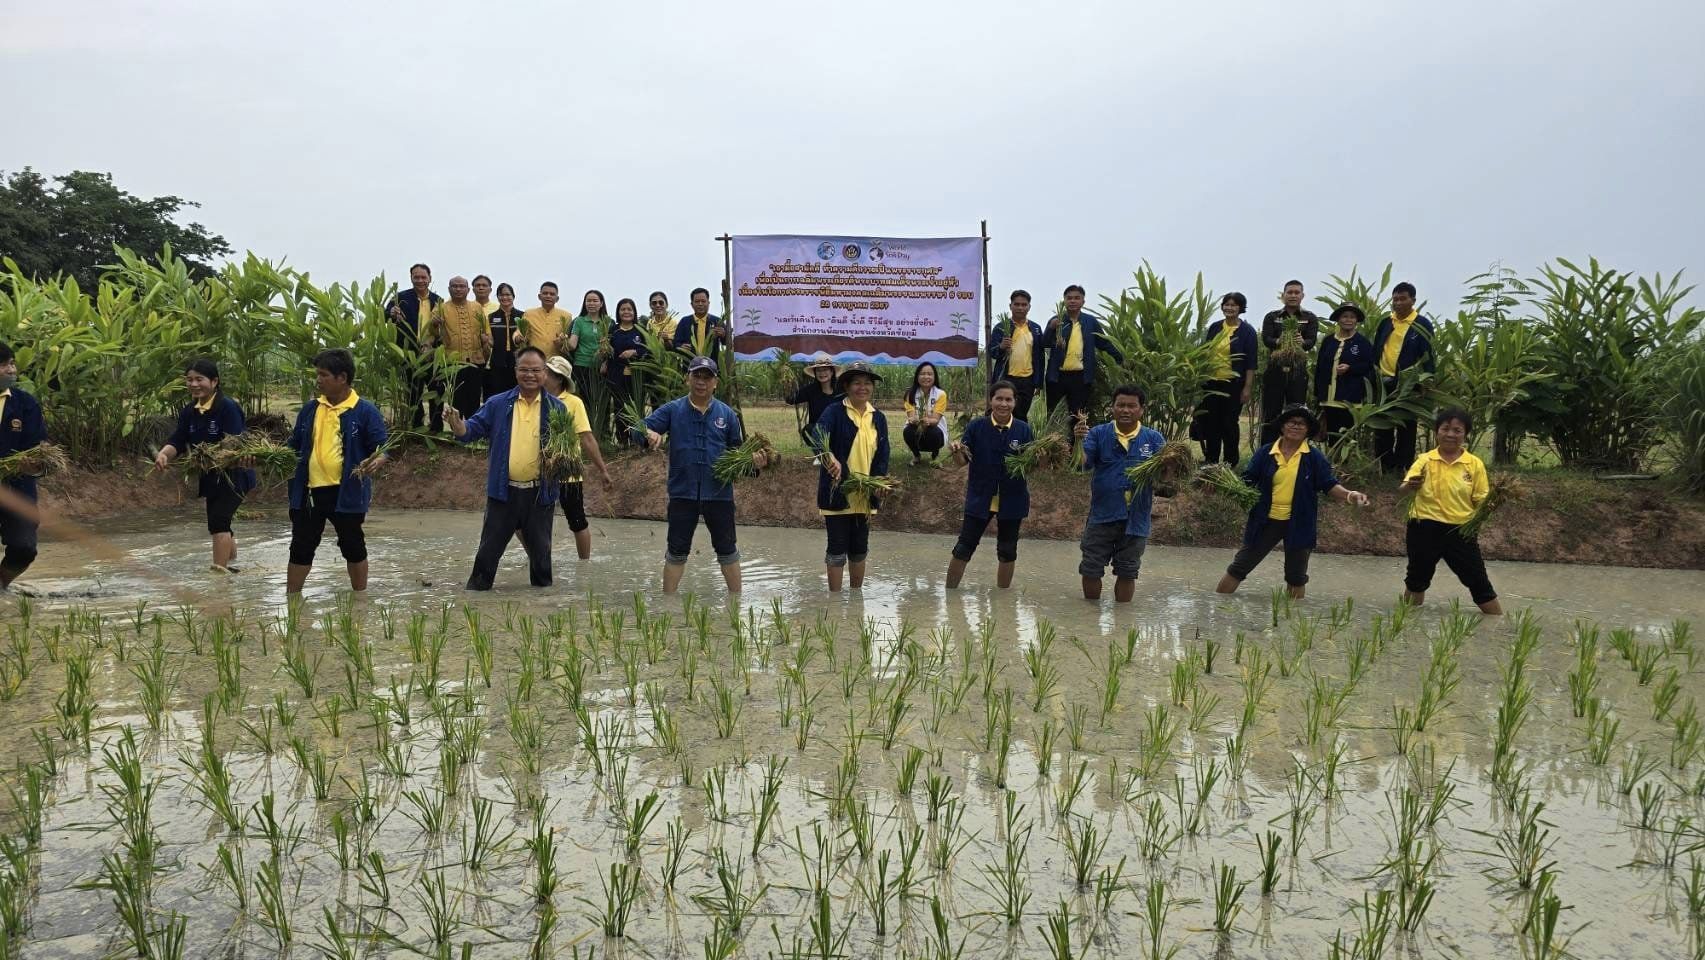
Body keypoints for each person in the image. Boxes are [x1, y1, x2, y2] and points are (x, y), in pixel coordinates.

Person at [1215, 404, 1369, 600]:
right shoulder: (1265, 453)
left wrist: (1350, 495)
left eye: (1302, 424)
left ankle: (1294, 622)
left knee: (1296, 577)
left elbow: (1329, 484)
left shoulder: (1313, 457)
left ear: (1308, 430)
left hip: (1299, 523)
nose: (1296, 426)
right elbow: (1246, 481)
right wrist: (1223, 485)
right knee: (1238, 567)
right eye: (1292, 422)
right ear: (1282, 426)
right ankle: (1216, 607)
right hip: (1265, 521)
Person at [637, 356, 763, 594]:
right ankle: (668, 605)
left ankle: (735, 605)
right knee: (676, 551)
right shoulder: (673, 410)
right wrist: (649, 434)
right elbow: (637, 428)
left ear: (716, 382)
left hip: (719, 495)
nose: (701, 382)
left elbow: (739, 458)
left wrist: (755, 463)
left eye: (707, 377)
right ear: (688, 379)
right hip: (682, 493)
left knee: (728, 550)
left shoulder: (727, 415)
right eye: (697, 376)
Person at [445, 348, 566, 590]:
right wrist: (457, 425)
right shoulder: (497, 404)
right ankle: (475, 607)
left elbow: (564, 454)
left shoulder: (557, 410)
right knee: (486, 558)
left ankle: (544, 613)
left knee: (542, 563)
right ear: (515, 372)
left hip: (539, 495)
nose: (529, 375)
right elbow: (470, 431)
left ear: (545, 374)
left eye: (535, 370)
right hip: (503, 493)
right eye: (524, 369)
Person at [286, 349, 389, 595]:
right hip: (308, 492)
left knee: (352, 545)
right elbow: (293, 445)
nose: (318, 380)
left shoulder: (364, 411)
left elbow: (382, 446)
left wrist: (379, 459)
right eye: (317, 374)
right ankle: (292, 600)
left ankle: (360, 599)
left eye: (323, 375)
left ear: (341, 378)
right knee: (301, 546)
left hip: (346, 492)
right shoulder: (311, 409)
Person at [153, 358, 256, 574]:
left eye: (199, 379)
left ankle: (219, 577)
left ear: (214, 381)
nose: (193, 384)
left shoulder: (227, 408)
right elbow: (179, 439)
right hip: (210, 476)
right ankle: (236, 565)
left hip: (234, 474)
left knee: (218, 522)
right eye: (189, 380)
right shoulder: (189, 411)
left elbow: (237, 442)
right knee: (219, 522)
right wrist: (164, 454)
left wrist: (216, 455)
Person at [1398, 409, 1502, 614]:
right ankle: (1404, 624)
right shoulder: (1425, 460)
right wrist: (1411, 485)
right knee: (1416, 580)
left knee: (1479, 582)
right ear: (1437, 432)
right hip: (1424, 527)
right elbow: (1403, 489)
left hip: (1461, 531)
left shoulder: (1474, 464)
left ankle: (1499, 623)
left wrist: (1491, 505)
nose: (1450, 434)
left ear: (1465, 434)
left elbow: (1481, 499)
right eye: (1445, 429)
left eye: (1457, 430)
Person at [1073, 384, 1166, 602]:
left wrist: (1171, 467)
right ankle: (1089, 620)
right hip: (1102, 515)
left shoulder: (1154, 439)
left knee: (1128, 570)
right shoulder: (1097, 434)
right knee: (1091, 567)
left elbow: (1165, 479)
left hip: (1137, 518)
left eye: (1131, 406)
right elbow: (1081, 465)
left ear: (1141, 410)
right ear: (1112, 408)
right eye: (1120, 405)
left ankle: (1123, 626)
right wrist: (1077, 441)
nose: (1125, 410)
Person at [946, 380, 1033, 589]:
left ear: (1015, 402)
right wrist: (956, 452)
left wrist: (1046, 456)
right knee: (963, 547)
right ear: (991, 400)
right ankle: (950, 595)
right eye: (999, 399)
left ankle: (1003, 604)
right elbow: (961, 463)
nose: (1003, 404)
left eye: (1008, 399)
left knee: (1007, 550)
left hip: (1013, 499)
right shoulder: (976, 427)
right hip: (980, 497)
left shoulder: (1023, 430)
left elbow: (1032, 467)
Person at [814, 362, 890, 592]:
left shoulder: (878, 418)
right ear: (846, 386)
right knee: (837, 548)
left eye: (867, 383)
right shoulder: (834, 412)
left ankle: (856, 599)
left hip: (864, 493)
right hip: (837, 490)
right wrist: (830, 458)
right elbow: (817, 438)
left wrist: (879, 481)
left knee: (859, 547)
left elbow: (883, 454)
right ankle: (835, 601)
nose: (862, 387)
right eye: (857, 383)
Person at [544, 355, 614, 559]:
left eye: (548, 373)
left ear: (559, 379)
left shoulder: (574, 403)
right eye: (544, 371)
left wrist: (603, 470)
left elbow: (587, 438)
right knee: (531, 520)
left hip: (568, 471)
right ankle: (538, 558)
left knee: (577, 521)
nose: (543, 375)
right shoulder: (534, 398)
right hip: (539, 470)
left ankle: (584, 565)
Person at [1371, 282, 1436, 473]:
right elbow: (1377, 349)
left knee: (1407, 425)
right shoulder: (1386, 322)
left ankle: (1403, 466)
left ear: (1413, 300)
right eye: (1395, 299)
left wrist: (1426, 380)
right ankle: (1385, 465)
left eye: (1402, 299)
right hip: (1383, 383)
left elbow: (1429, 354)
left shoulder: (1422, 324)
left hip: (1408, 384)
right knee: (1382, 425)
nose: (1398, 303)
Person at [1039, 284, 1124, 423]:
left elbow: (1104, 343)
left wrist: (1121, 358)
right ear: (1064, 301)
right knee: (1054, 416)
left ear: (1083, 302)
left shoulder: (1090, 321)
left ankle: (1076, 444)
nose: (1072, 301)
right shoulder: (1056, 320)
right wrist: (1050, 328)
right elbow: (1044, 344)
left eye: (1077, 298)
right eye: (1069, 298)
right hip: (1057, 377)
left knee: (1078, 416)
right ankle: (1053, 443)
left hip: (1081, 377)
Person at [0, 342, 46, 590]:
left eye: (13, 363)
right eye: (5, 364)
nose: (12, 369)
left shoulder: (26, 404)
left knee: (24, 547)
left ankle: (1, 584)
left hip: (18, 489)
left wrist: (32, 464)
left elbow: (38, 447)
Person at [1193, 292, 1258, 464]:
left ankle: (1230, 462)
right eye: (1226, 304)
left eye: (1234, 305)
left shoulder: (1247, 332)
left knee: (1229, 423)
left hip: (1234, 385)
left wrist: (1247, 388)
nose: (1229, 308)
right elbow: (1205, 352)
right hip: (1212, 383)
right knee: (1211, 422)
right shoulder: (1215, 327)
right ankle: (1211, 460)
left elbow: (1251, 363)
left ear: (1241, 308)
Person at [1258, 280, 1322, 446]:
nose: (1293, 295)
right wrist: (1282, 340)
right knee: (1270, 413)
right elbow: (1267, 339)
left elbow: (1311, 341)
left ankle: (1295, 451)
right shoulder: (1272, 316)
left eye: (1296, 292)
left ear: (1302, 296)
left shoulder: (1310, 318)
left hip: (1298, 371)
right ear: (1283, 295)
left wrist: (1302, 342)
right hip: (1275, 370)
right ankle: (1267, 451)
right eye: (1290, 292)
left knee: (1297, 413)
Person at [383, 263, 441, 431]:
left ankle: (436, 428)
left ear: (430, 278)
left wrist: (434, 346)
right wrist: (391, 314)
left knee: (436, 390)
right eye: (416, 277)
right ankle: (416, 427)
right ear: (411, 278)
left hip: (431, 352)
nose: (420, 280)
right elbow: (387, 318)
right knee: (413, 391)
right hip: (408, 351)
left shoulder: (438, 300)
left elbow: (442, 328)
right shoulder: (400, 298)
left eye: (423, 277)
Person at [426, 275, 491, 421]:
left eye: (462, 286)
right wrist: (435, 324)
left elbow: (486, 332)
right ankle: (458, 430)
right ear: (449, 289)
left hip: (476, 360)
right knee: (457, 397)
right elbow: (432, 333)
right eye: (454, 286)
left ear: (468, 290)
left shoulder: (477, 307)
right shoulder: (441, 307)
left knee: (474, 397)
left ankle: (473, 430)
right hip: (452, 362)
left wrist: (487, 340)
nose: (458, 289)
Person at [1314, 304, 1375, 444]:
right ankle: (1331, 465)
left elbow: (1369, 366)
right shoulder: (1328, 341)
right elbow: (1320, 368)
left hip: (1350, 398)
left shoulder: (1362, 343)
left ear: (1356, 320)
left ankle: (1343, 464)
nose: (1348, 320)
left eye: (1352, 317)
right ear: (1338, 319)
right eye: (1345, 316)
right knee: (1330, 435)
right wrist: (1318, 394)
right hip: (1328, 398)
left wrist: (1350, 368)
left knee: (1346, 437)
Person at [988, 289, 1045, 422]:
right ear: (1010, 306)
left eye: (1024, 305)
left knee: (1021, 415)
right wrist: (1001, 347)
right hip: (1007, 378)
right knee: (1003, 413)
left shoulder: (1035, 329)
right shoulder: (1002, 327)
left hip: (1027, 380)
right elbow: (992, 352)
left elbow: (1039, 357)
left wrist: (1038, 383)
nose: (1020, 308)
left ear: (1029, 307)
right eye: (1017, 304)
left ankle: (1020, 442)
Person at [603, 298, 649, 438]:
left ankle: (638, 438)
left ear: (634, 312)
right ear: (618, 312)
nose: (626, 312)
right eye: (623, 309)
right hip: (616, 374)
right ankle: (622, 440)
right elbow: (608, 351)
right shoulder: (613, 330)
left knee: (637, 406)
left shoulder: (640, 330)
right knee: (619, 406)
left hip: (636, 375)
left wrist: (634, 352)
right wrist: (604, 356)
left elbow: (648, 351)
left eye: (629, 309)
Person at [784, 353, 841, 446]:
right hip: (819, 433)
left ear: (832, 372)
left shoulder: (841, 390)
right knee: (808, 429)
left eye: (825, 370)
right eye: (819, 370)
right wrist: (786, 380)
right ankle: (821, 455)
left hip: (839, 431)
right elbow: (790, 399)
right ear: (815, 373)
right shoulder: (811, 390)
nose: (822, 373)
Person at [902, 362, 949, 466]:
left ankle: (935, 455)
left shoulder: (941, 394)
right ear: (917, 376)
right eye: (922, 374)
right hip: (916, 426)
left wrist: (927, 421)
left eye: (929, 374)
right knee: (908, 431)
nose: (926, 377)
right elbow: (911, 416)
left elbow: (936, 420)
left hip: (933, 428)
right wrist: (913, 420)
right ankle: (916, 455)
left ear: (934, 377)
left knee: (934, 432)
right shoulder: (910, 394)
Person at [566, 289, 610, 401]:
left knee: (602, 401)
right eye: (588, 301)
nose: (591, 303)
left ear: (601, 303)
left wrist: (606, 360)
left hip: (602, 368)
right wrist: (563, 340)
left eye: (595, 301)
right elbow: (572, 345)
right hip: (582, 366)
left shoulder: (608, 322)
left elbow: (612, 347)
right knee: (584, 401)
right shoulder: (579, 321)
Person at [486, 282, 522, 398]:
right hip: (497, 361)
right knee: (498, 395)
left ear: (513, 296)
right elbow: (491, 341)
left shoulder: (522, 316)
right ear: (497, 297)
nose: (505, 297)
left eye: (508, 294)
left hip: (516, 361)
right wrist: (485, 340)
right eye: (501, 295)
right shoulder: (491, 317)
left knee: (516, 395)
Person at [672, 287, 728, 363]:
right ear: (692, 304)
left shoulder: (717, 321)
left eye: (703, 301)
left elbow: (727, 343)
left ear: (708, 303)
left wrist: (724, 335)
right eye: (697, 301)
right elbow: (676, 343)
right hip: (690, 365)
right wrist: (680, 347)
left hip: (712, 365)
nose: (700, 304)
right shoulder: (684, 321)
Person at [519, 282, 573, 358]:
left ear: (557, 299)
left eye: (552, 294)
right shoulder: (529, 314)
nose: (548, 296)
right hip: (534, 359)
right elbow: (521, 334)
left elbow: (570, 342)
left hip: (557, 362)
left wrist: (562, 341)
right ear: (539, 296)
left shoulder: (566, 316)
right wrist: (518, 338)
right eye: (545, 293)